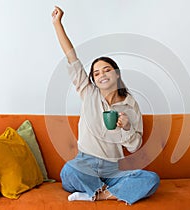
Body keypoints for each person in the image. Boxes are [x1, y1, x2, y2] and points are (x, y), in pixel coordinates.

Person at [51, 6, 160, 205]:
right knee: (69, 171)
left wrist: (127, 127)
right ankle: (109, 192)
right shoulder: (88, 92)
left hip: (114, 168)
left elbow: (134, 146)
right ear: (92, 78)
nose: (102, 75)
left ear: (116, 74)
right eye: (97, 73)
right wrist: (57, 24)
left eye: (106, 70)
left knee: (151, 179)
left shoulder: (130, 104)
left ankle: (97, 195)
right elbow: (71, 57)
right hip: (85, 162)